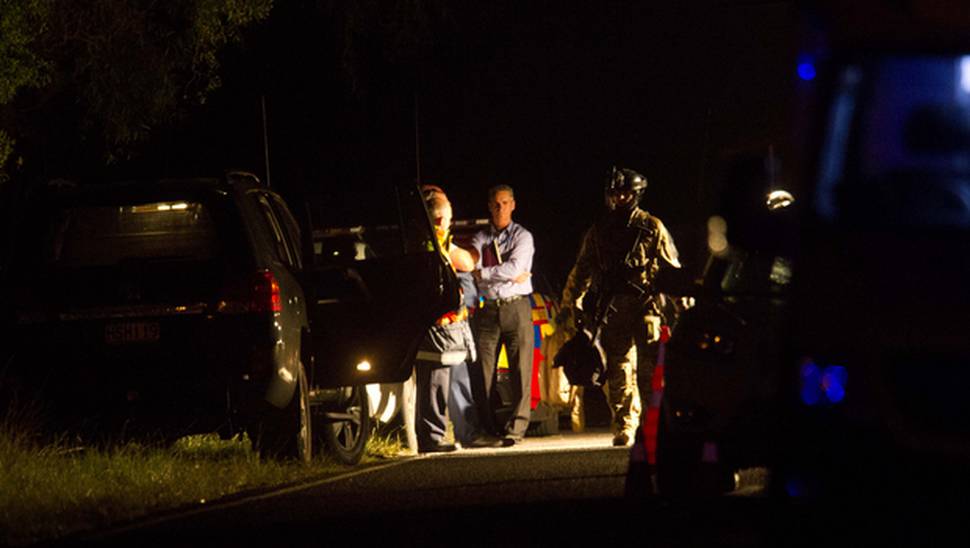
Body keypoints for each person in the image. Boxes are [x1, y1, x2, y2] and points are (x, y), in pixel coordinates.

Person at [558, 166, 682, 447]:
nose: (619, 199)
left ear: (636, 194)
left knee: (649, 372)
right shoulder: (599, 231)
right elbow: (581, 271)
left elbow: (670, 266)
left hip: (646, 307)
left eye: (625, 193)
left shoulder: (651, 227)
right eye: (615, 194)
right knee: (618, 369)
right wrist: (571, 305)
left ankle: (653, 426)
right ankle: (625, 424)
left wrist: (682, 302)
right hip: (613, 309)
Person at [468, 184, 535, 445]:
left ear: (513, 205)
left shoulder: (523, 236)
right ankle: (489, 428)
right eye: (496, 203)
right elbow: (473, 265)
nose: (500, 208)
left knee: (521, 370)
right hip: (487, 310)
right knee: (483, 372)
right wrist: (505, 273)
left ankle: (516, 429)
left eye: (505, 203)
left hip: (516, 307)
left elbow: (515, 268)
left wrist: (484, 274)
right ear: (489, 206)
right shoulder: (480, 238)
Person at [413, 185, 478, 453]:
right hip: (435, 325)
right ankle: (432, 437)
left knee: (437, 381)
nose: (449, 224)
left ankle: (435, 435)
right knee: (433, 382)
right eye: (448, 219)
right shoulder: (433, 241)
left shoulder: (428, 239)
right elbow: (466, 262)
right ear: (440, 220)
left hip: (440, 325)